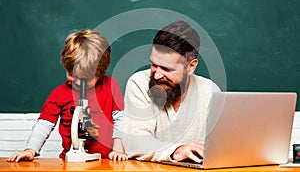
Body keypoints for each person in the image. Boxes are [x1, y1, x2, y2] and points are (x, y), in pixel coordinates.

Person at [7, 30, 128, 162]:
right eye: (72, 75)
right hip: (71, 162)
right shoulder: (59, 94)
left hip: (107, 162)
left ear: (100, 72)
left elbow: (119, 120)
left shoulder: (110, 85)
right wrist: (30, 149)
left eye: (85, 79)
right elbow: (44, 124)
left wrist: (118, 150)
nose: (77, 82)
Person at [122, 21, 221, 163]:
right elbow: (135, 142)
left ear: (191, 66)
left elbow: (216, 148)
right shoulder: (138, 83)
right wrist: (177, 151)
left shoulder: (210, 91)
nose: (156, 75)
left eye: (166, 69)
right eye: (154, 65)